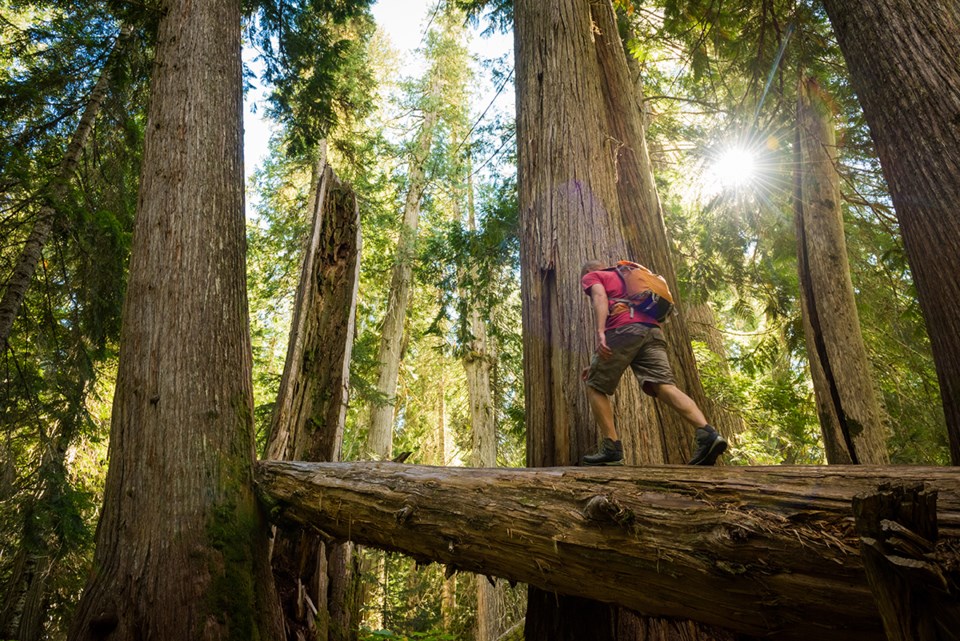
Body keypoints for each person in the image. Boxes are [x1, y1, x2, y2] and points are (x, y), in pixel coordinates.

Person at [579, 259, 727, 466]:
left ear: (588, 271)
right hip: (653, 331)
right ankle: (708, 433)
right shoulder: (628, 275)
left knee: (595, 386)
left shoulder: (593, 276)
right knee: (664, 386)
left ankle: (612, 448)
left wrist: (601, 331)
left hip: (623, 329)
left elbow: (599, 296)